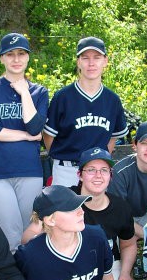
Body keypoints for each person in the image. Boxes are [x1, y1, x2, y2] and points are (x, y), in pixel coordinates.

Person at [21, 147, 142, 280]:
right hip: (67, 266)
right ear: (79, 174)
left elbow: (128, 243)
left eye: (104, 170)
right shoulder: (64, 199)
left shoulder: (120, 207)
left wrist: (125, 272)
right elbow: (28, 237)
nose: (98, 176)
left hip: (106, 267)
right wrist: (55, 245)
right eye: (91, 170)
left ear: (111, 175)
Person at [0, 33, 48, 252]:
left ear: (28, 58)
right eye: (10, 54)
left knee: (32, 230)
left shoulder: (38, 92)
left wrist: (24, 91)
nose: (16, 59)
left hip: (29, 171)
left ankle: (33, 279)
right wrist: (24, 136)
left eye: (21, 54)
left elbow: (35, 127)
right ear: (2, 58)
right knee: (9, 233)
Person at [43, 37, 128, 187]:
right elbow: (48, 136)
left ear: (105, 61)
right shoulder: (63, 97)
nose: (91, 63)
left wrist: (98, 162)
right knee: (65, 210)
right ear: (78, 62)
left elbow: (113, 138)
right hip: (67, 170)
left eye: (97, 57)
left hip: (97, 172)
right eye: (85, 58)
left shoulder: (112, 100)